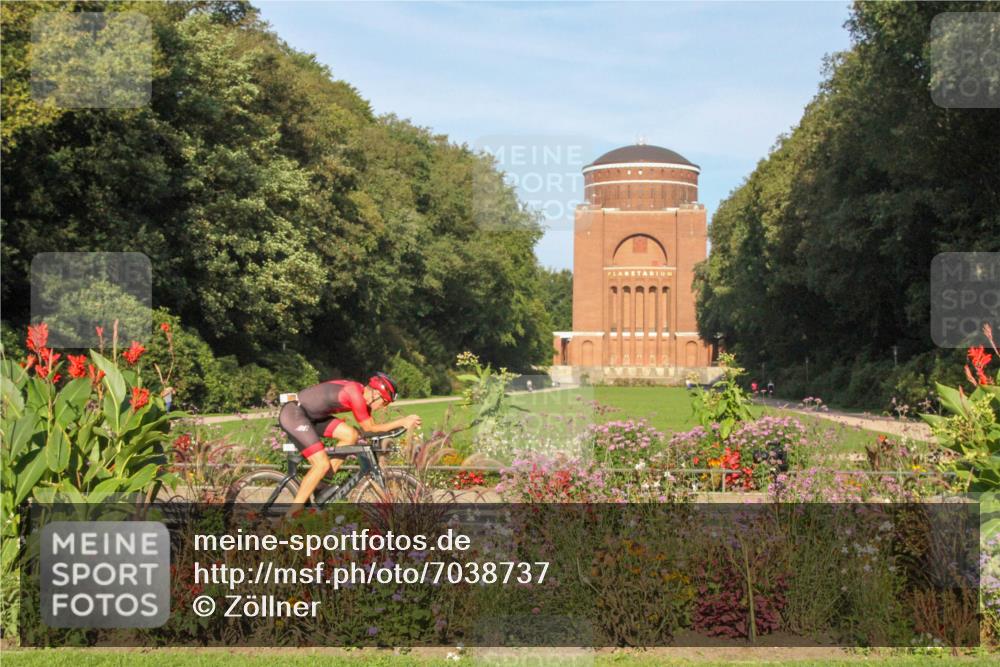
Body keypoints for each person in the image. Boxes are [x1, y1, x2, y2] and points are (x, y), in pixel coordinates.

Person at [278, 372, 421, 510]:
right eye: (385, 403)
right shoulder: (355, 394)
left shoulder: (363, 398)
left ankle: (321, 485)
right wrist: (402, 422)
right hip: (295, 413)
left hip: (313, 416)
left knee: (350, 435)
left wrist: (398, 427)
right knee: (321, 464)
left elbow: (370, 430)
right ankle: (292, 515)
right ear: (376, 394)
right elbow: (369, 428)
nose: (384, 407)